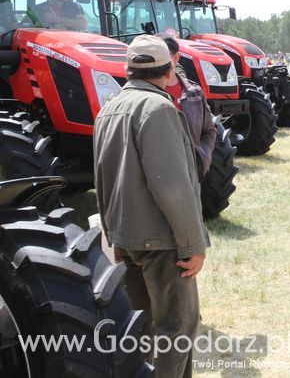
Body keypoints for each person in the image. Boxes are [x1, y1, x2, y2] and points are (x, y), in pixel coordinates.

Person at [93, 35, 209, 377]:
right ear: (169, 68)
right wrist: (194, 244)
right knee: (178, 329)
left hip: (126, 239)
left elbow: (101, 177)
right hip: (162, 243)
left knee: (140, 329)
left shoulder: (108, 109)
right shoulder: (158, 108)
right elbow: (173, 186)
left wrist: (113, 233)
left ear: (129, 70)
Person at [162, 36, 216, 180]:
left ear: (176, 57)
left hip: (190, 173)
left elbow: (209, 131)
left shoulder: (194, 93)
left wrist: (201, 158)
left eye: (164, 56)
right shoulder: (146, 94)